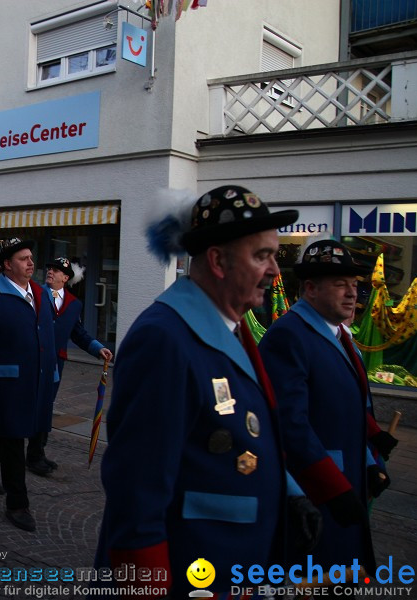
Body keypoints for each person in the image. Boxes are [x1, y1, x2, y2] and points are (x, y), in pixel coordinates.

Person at [93, 186, 319, 598]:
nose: (275, 272)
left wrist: (288, 492)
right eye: (262, 256)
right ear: (217, 260)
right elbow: (136, 491)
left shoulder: (234, 325)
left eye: (274, 255)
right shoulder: (164, 339)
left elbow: (244, 437)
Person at [259, 239, 398, 571]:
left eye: (354, 285)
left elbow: (347, 408)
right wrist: (332, 487)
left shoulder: (339, 335)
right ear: (310, 288)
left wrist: (368, 455)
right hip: (316, 492)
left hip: (345, 483)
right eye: (340, 285)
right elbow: (290, 425)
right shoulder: (289, 335)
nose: (352, 294)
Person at [0, 238, 58, 532]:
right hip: (4, 384)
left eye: (31, 258)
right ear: (7, 264)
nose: (31, 263)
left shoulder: (40, 293)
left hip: (37, 381)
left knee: (10, 432)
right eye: (23, 259)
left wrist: (52, 373)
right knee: (14, 439)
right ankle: (18, 504)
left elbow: (46, 338)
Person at [26, 257, 113, 476]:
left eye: (56, 270)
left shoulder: (74, 304)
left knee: (46, 406)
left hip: (55, 364)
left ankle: (37, 454)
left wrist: (97, 348)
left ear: (66, 278)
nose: (51, 272)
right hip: (32, 360)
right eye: (50, 268)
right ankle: (21, 454)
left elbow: (78, 333)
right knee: (29, 405)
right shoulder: (34, 293)